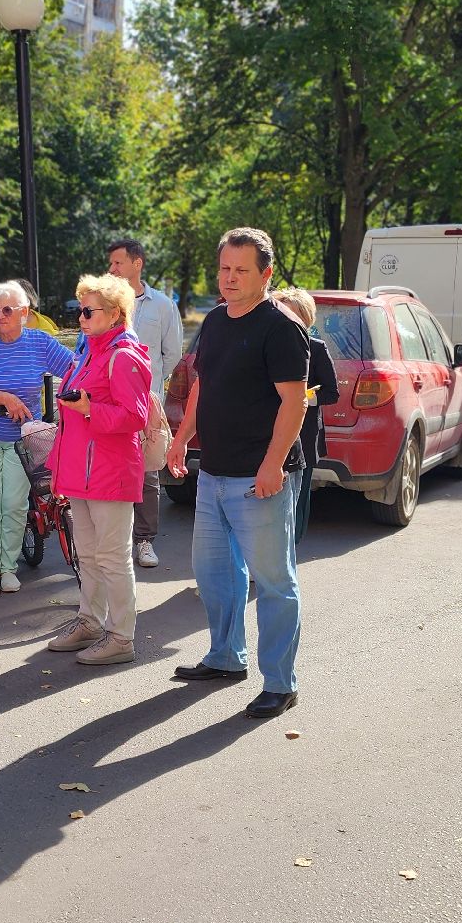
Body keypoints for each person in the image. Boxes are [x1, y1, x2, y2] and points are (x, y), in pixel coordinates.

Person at [165, 227, 308, 719]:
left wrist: (272, 466)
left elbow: (294, 404)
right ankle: (226, 657)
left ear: (266, 275)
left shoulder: (281, 327)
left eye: (240, 270)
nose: (228, 278)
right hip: (213, 474)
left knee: (273, 583)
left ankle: (280, 683)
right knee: (216, 575)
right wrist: (182, 438)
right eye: (224, 268)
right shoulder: (216, 321)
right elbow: (204, 385)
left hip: (258, 479)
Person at [45, 273, 152, 665]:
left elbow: (135, 416)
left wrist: (90, 407)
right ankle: (90, 621)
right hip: (82, 470)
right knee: (87, 555)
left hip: (109, 473)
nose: (81, 317)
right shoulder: (91, 350)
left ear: (115, 314)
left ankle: (121, 637)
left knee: (111, 557)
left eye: (88, 311)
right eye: (80, 309)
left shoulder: (123, 355)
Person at [0, 280, 77, 595]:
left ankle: (8, 567)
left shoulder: (40, 342)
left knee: (12, 504)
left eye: (7, 310)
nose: (0, 316)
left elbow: (75, 368)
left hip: (21, 438)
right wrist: (5, 398)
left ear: (24, 312)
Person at [106, 238, 181, 569]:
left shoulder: (163, 305)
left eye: (118, 263)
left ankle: (145, 541)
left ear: (137, 264)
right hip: (108, 406)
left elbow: (172, 354)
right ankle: (116, 543)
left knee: (148, 475)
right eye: (110, 264)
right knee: (113, 472)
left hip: (147, 407)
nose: (112, 269)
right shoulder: (104, 304)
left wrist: (152, 392)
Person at [272, 288, 340, 540]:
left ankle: (291, 547)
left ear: (305, 318)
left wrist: (306, 398)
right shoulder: (268, 345)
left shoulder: (317, 348)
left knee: (297, 500)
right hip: (269, 434)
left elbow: (332, 393)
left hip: (305, 434)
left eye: (293, 312)